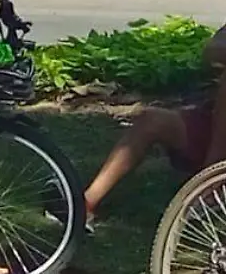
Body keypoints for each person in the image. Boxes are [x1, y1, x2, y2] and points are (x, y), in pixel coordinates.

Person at [83, 23, 226, 224]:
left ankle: (208, 187)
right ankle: (86, 203)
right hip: (212, 122)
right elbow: (212, 50)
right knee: (151, 120)